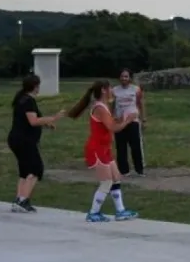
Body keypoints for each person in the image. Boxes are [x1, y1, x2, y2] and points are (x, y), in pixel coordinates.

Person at [68, 80, 139, 222]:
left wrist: (120, 119)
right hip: (97, 148)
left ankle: (120, 211)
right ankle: (93, 213)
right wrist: (127, 120)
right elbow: (113, 128)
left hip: (105, 148)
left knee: (116, 178)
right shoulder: (100, 107)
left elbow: (109, 124)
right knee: (106, 181)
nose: (112, 90)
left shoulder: (104, 107)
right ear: (103, 90)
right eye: (110, 88)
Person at [8, 74, 65, 213]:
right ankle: (23, 201)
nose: (39, 88)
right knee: (36, 169)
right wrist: (54, 117)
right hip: (24, 140)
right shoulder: (29, 101)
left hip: (16, 139)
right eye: (38, 85)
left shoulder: (21, 99)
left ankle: (18, 199)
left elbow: (29, 121)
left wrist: (47, 124)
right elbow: (33, 121)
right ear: (35, 86)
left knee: (25, 171)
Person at [112, 69, 146, 176]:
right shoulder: (114, 90)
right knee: (121, 146)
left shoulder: (136, 90)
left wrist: (143, 118)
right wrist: (111, 118)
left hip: (133, 121)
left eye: (126, 76)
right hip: (119, 121)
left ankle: (139, 170)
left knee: (135, 146)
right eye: (122, 76)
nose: (124, 79)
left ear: (130, 78)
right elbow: (112, 106)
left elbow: (140, 104)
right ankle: (123, 170)